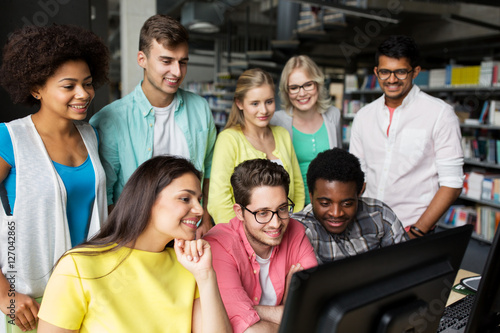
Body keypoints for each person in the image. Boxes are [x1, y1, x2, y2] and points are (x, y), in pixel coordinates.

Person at [37, 156, 232, 333]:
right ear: (148, 199)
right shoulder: (78, 266)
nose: (199, 210)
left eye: (199, 200)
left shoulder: (190, 268)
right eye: (185, 198)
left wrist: (206, 276)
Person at [0, 24, 109, 332]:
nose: (83, 94)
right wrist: (6, 295)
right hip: (28, 302)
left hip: (82, 291)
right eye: (68, 86)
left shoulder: (91, 136)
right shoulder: (10, 139)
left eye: (87, 84)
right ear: (37, 88)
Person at [90, 14, 216, 238]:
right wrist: (123, 239)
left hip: (191, 235)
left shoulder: (200, 109)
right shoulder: (111, 119)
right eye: (166, 61)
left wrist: (205, 213)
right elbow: (105, 193)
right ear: (142, 59)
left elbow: (208, 167)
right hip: (137, 237)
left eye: (183, 62)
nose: (177, 72)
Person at [349, 35, 464, 238]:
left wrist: (417, 232)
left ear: (415, 72)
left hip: (413, 229)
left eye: (400, 72)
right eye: (385, 72)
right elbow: (360, 176)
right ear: (376, 72)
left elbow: (452, 184)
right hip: (367, 227)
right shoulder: (363, 116)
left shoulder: (440, 114)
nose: (392, 79)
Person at [204, 159, 317, 333]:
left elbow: (313, 309)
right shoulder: (219, 245)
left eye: (282, 208)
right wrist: (289, 306)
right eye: (263, 213)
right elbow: (247, 329)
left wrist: (250, 308)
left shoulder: (295, 231)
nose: (276, 223)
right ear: (239, 212)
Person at [208, 68, 305, 225]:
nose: (264, 110)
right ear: (239, 103)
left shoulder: (282, 134)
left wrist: (293, 225)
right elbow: (218, 201)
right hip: (244, 238)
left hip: (284, 229)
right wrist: (242, 239)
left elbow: (298, 187)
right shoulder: (229, 139)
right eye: (255, 103)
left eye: (269, 101)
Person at [292, 148, 408, 264]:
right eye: (325, 204)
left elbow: (405, 263)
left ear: (359, 193)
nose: (336, 213)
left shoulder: (380, 215)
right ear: (311, 196)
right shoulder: (299, 231)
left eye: (347, 204)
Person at [270, 55, 342, 205]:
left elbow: (339, 163)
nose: (302, 93)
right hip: (293, 207)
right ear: (286, 91)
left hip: (329, 207)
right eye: (294, 88)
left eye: (308, 85)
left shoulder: (333, 115)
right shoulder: (277, 121)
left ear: (318, 84)